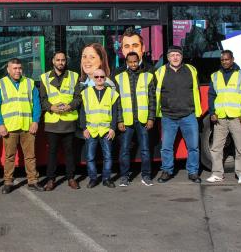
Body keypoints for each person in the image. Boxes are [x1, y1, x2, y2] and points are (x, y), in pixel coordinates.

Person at [0, 58, 44, 193]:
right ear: (8, 69)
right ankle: (8, 182)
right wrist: (0, 124)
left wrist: (35, 121)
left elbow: (36, 104)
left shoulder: (29, 83)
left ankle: (32, 181)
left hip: (28, 126)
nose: (17, 71)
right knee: (9, 156)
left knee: (30, 156)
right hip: (9, 127)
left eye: (19, 68)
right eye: (14, 68)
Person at [155, 45, 202, 183]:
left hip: (188, 115)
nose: (175, 57)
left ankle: (193, 172)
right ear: (168, 58)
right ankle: (167, 171)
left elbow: (197, 90)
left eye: (178, 55)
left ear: (182, 57)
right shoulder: (160, 72)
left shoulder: (191, 70)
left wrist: (195, 111)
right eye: (172, 55)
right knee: (166, 147)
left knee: (193, 147)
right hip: (168, 116)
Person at [206, 50, 241, 184]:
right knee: (216, 147)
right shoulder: (215, 76)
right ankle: (217, 174)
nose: (224, 62)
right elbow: (211, 96)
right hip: (220, 118)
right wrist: (212, 112)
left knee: (240, 147)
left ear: (232, 59)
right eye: (222, 60)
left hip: (237, 118)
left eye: (227, 59)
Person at [40, 51, 82, 191]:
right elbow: (42, 99)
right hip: (52, 122)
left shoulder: (74, 76)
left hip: (68, 121)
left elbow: (78, 97)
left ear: (66, 61)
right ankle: (51, 180)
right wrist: (51, 107)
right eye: (58, 60)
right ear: (53, 61)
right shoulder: (44, 78)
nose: (60, 62)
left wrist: (70, 106)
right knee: (52, 153)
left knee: (70, 152)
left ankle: (71, 178)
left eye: (63, 60)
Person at [116, 51, 156, 187]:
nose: (133, 64)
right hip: (126, 121)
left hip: (143, 120)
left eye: (135, 61)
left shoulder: (148, 76)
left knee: (145, 149)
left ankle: (146, 176)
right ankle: (124, 177)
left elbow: (152, 99)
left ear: (139, 61)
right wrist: (119, 120)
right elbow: (118, 102)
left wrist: (151, 118)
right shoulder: (119, 78)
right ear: (126, 62)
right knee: (125, 150)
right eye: (130, 62)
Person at [80, 68, 119, 188]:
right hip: (91, 130)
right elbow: (82, 113)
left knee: (108, 157)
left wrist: (113, 128)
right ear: (93, 79)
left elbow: (115, 112)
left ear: (105, 78)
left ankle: (106, 179)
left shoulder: (112, 93)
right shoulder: (85, 93)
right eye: (96, 77)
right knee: (90, 157)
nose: (99, 79)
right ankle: (93, 179)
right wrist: (84, 128)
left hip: (106, 130)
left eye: (102, 77)